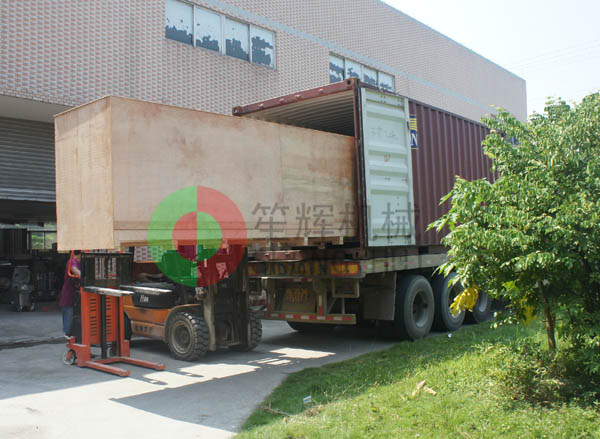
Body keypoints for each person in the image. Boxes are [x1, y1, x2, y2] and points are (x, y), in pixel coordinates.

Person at [59, 251, 81, 339]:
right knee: (69, 314)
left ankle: (73, 334)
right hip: (69, 293)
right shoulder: (72, 261)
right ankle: (67, 334)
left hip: (77, 295)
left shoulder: (80, 262)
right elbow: (76, 272)